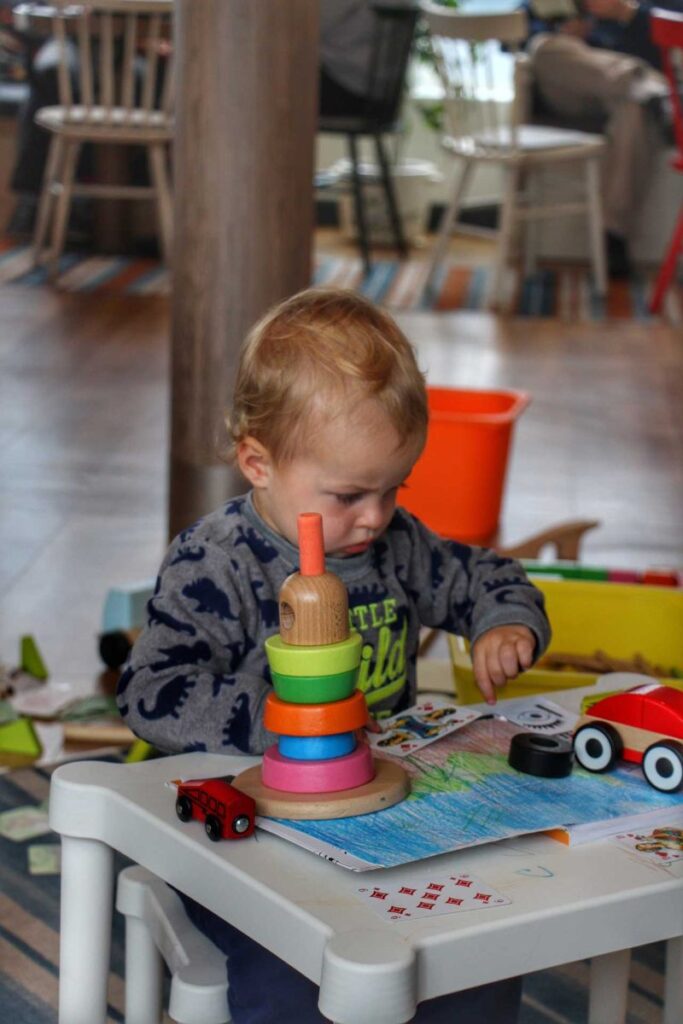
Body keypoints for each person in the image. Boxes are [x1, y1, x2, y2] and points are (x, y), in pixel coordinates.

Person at [117, 287, 551, 1024]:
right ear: (256, 462)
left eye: (394, 488)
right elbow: (150, 692)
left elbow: (487, 575)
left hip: (379, 820)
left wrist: (501, 623)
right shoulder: (215, 562)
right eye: (351, 494)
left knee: (478, 959)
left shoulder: (393, 544)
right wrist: (287, 724)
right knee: (297, 986)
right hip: (250, 844)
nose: (376, 517)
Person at [523, 0, 682, 276]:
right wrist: (565, 30)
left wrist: (628, 14)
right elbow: (516, 33)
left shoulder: (649, 8)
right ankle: (648, 90)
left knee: (634, 108)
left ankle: (613, 237)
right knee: (544, 48)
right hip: (572, 90)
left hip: (625, 103)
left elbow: (670, 46)